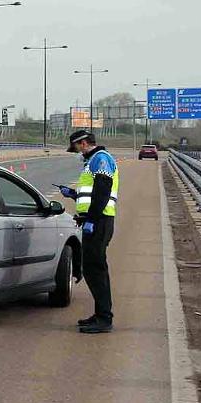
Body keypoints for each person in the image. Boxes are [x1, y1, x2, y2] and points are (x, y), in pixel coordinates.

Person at [56, 129, 119, 334]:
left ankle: (104, 318)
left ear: (83, 143)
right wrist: (73, 194)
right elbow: (91, 195)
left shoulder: (101, 159)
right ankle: (100, 314)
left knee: (95, 269)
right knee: (93, 269)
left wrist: (91, 219)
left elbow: (102, 192)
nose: (76, 152)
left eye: (76, 147)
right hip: (95, 221)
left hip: (99, 222)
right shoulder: (93, 162)